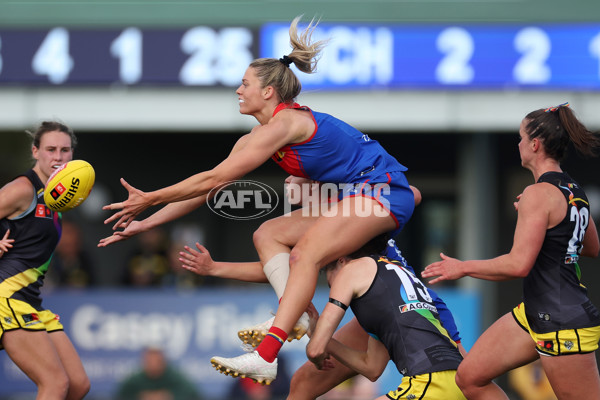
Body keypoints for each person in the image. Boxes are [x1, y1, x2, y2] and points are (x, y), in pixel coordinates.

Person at [100, 15, 415, 384]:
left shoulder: (285, 124)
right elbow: (209, 189)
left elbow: (214, 178)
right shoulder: (257, 136)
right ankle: (295, 315)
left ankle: (267, 353)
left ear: (268, 92)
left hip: (382, 192)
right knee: (268, 233)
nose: (238, 89)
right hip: (351, 196)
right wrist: (146, 222)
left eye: (245, 83)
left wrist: (149, 197)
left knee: (304, 255)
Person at [421, 102, 600, 400]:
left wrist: (462, 267)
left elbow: (518, 265)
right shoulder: (572, 189)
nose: (517, 144)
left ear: (534, 144)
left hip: (563, 322)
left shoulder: (537, 194)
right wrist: (541, 222)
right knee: (470, 378)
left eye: (520, 137)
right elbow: (591, 246)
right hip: (535, 313)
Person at [305, 235, 466, 400]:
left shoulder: (350, 269)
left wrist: (317, 346)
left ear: (341, 261)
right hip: (457, 382)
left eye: (331, 283)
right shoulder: (390, 278)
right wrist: (324, 341)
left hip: (430, 383)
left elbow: (315, 350)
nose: (334, 288)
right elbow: (372, 368)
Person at [0, 121, 90, 399]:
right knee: (54, 383)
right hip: (8, 298)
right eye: (50, 149)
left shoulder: (58, 197)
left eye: (65, 150)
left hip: (31, 301)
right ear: (35, 151)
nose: (58, 157)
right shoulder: (23, 189)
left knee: (78, 385)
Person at [116, 346, 201, 400]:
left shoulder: (175, 378)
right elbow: (121, 395)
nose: (153, 364)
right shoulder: (135, 380)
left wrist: (169, 396)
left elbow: (193, 394)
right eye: (150, 361)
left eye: (156, 360)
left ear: (163, 361)